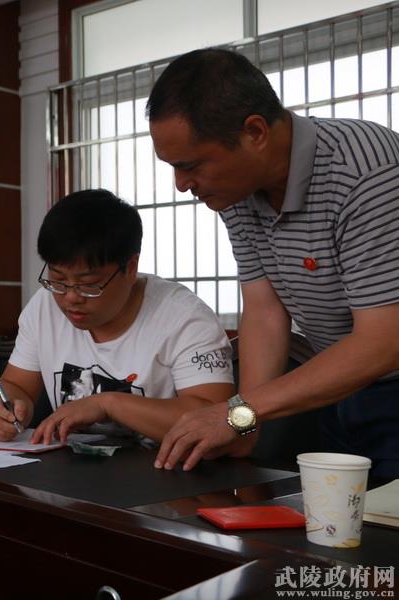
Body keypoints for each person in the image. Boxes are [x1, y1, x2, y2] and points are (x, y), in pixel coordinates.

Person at [148, 48, 399, 478]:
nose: (182, 185)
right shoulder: (235, 191)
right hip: (338, 386)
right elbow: (265, 309)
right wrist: (245, 425)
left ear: (255, 132)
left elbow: (384, 341)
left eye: (190, 166)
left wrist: (238, 413)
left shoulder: (365, 171)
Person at [0, 189, 235, 445]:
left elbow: (217, 418)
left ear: (130, 268)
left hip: (163, 466)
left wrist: (108, 404)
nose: (71, 297)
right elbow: (17, 385)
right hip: (66, 465)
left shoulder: (184, 318)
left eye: (88, 285)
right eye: (58, 280)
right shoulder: (44, 306)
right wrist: (6, 406)